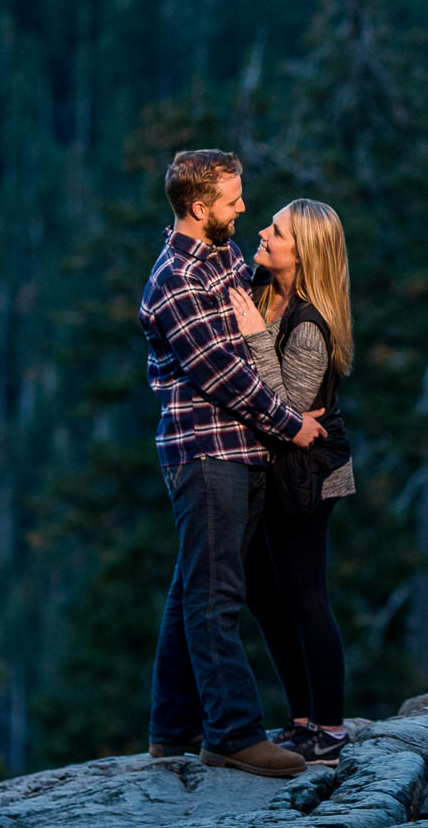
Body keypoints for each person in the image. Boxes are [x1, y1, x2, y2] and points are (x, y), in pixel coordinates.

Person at [139, 149, 325, 780]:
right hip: (207, 451)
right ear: (200, 209)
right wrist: (293, 426)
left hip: (237, 452)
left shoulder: (219, 256)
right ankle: (232, 733)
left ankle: (172, 729)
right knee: (216, 597)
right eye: (233, 200)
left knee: (190, 588)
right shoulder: (175, 282)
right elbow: (224, 377)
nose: (244, 208)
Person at [230, 198, 359, 767]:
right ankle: (301, 719)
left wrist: (257, 337)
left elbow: (287, 409)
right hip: (268, 471)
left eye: (276, 230)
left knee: (305, 595)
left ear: (302, 252)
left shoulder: (311, 325)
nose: (262, 231)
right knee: (262, 593)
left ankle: (328, 730)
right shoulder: (260, 288)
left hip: (310, 478)